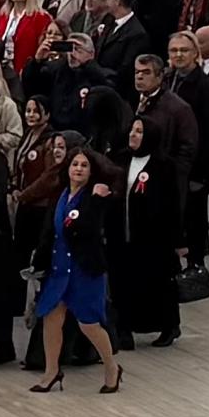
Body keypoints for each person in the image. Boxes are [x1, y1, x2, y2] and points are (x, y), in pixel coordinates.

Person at [34, 144, 125, 390]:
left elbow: (87, 228)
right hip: (59, 267)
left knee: (89, 323)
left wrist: (96, 199)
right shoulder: (61, 194)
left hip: (84, 269)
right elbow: (49, 231)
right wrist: (38, 261)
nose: (78, 169)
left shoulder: (96, 196)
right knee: (51, 317)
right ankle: (52, 371)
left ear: (91, 171)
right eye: (75, 164)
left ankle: (111, 367)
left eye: (84, 165)